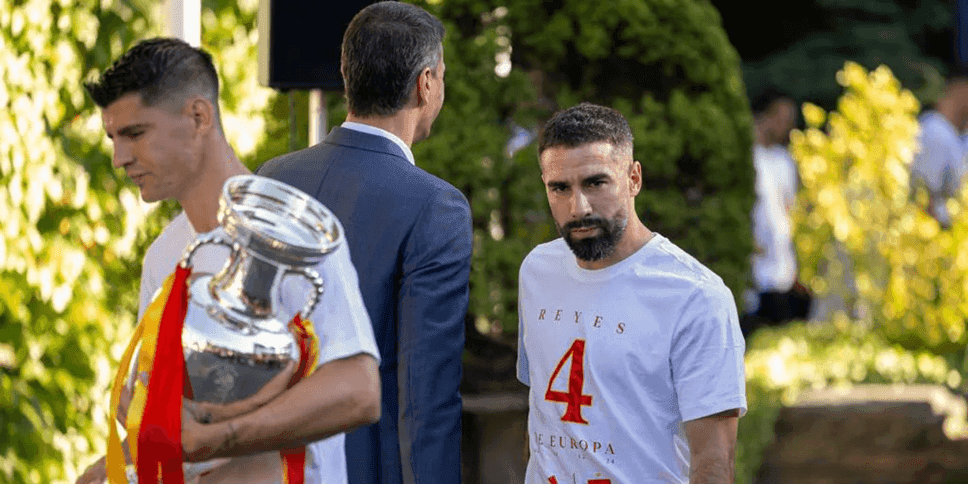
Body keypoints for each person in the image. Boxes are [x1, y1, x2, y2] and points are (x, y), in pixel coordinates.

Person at [77, 37, 380, 484]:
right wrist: (108, 466)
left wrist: (220, 437)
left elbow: (359, 391)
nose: (120, 158)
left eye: (135, 133)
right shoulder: (163, 254)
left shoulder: (292, 233)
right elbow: (185, 428)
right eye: (113, 138)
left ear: (199, 116)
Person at [256, 3, 472, 484]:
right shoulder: (437, 206)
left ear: (345, 73)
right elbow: (426, 395)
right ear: (427, 83)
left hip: (271, 464)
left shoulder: (271, 180)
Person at [516, 103, 747, 483]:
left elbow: (714, 461)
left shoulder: (696, 297)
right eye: (559, 188)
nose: (578, 207)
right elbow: (542, 416)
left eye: (595, 183)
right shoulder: (537, 271)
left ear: (634, 178)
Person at [742, 88, 810, 336]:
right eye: (779, 117)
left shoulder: (784, 160)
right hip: (754, 259)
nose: (784, 125)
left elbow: (790, 205)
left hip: (782, 259)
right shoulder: (747, 157)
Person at [911, 71, 968, 228]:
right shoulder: (935, 130)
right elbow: (924, 198)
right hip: (929, 238)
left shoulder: (955, 136)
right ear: (960, 89)